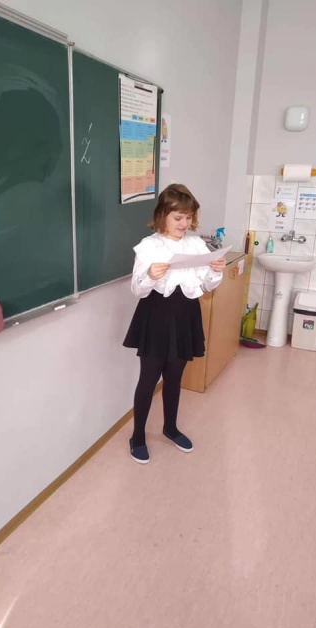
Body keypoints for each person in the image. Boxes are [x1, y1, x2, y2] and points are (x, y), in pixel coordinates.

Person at [123, 184, 226, 464]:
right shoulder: (149, 246)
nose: (184, 224)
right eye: (178, 217)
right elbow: (137, 290)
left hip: (185, 316)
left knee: (174, 377)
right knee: (148, 379)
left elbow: (205, 286)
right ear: (163, 215)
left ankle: (170, 428)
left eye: (188, 217)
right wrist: (150, 275)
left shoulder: (196, 245)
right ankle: (137, 436)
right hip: (155, 316)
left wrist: (215, 272)